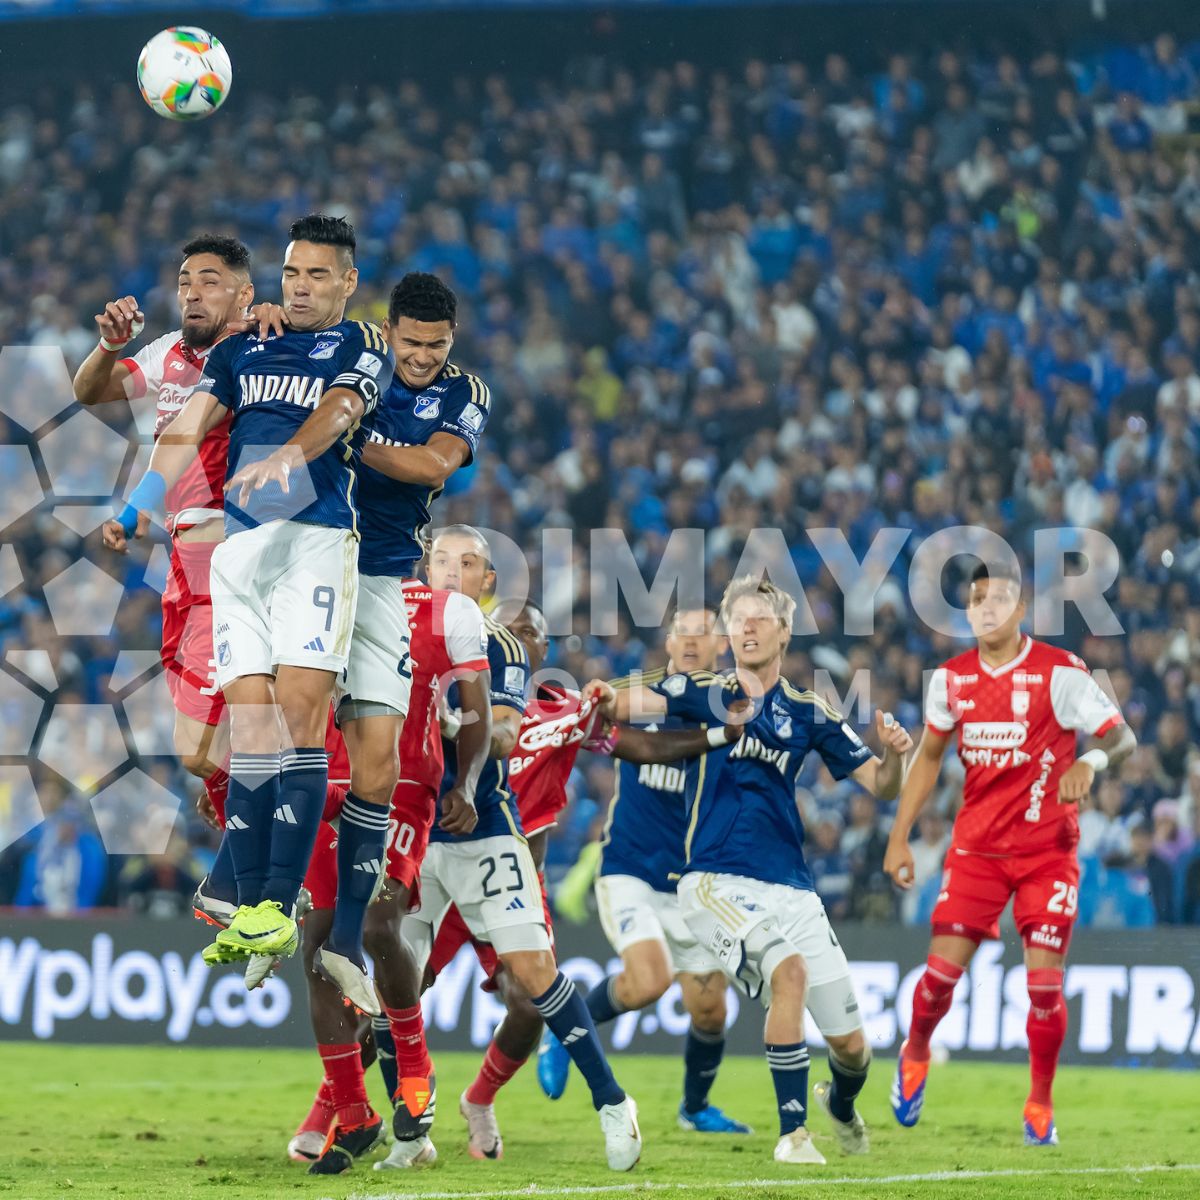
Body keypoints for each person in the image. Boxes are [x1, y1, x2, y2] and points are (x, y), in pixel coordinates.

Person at [106, 214, 393, 1006]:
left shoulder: (361, 346)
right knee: (252, 729)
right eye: (292, 274)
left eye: (317, 277)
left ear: (347, 284)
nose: (301, 287)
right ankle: (262, 902)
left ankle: (269, 901)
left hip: (314, 540)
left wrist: (288, 459)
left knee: (302, 717)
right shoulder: (241, 350)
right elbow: (184, 428)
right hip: (240, 552)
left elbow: (339, 412)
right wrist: (134, 509)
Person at [587, 577, 913, 1165]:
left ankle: (839, 1105)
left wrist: (894, 754)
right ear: (728, 632)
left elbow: (881, 786)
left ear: (784, 632)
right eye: (738, 619)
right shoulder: (705, 691)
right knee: (787, 974)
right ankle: (793, 1135)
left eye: (761, 617)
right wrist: (604, 698)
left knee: (854, 1051)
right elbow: (639, 702)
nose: (748, 626)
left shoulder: (810, 710)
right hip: (714, 880)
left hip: (792, 886)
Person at [378, 525, 641, 1174]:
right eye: (440, 561)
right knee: (393, 983)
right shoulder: (391, 634)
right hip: (410, 832)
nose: (450, 573)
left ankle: (611, 1100)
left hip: (485, 831)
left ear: (486, 581)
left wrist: (458, 744)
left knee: (533, 976)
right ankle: (407, 1131)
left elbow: (502, 729)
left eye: (466, 564)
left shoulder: (501, 645)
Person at [884, 561, 1136, 1146]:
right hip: (977, 851)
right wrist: (899, 836)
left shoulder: (1060, 672)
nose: (986, 607)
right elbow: (926, 759)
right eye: (976, 600)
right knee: (940, 978)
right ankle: (916, 1051)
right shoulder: (950, 680)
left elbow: (1120, 737)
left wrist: (1088, 762)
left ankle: (1040, 1106)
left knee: (1045, 989)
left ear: (1020, 610)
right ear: (966, 612)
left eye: (998, 598)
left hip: (1048, 852)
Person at [288, 572, 492, 1175]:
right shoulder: (323, 588)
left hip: (403, 784)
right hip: (330, 779)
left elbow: (475, 706)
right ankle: (355, 1117)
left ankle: (415, 1070)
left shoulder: (446, 610)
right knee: (318, 947)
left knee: (379, 926)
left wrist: (468, 783)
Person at [538, 608, 753, 1137]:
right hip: (630, 868)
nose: (689, 641)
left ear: (721, 645)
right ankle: (561, 1034)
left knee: (709, 1010)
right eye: (680, 631)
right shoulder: (641, 695)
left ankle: (695, 1108)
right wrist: (598, 696)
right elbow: (605, 701)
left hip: (694, 882)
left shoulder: (731, 707)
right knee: (649, 981)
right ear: (669, 640)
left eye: (702, 633)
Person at [83, 235, 254, 901]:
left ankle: (274, 853)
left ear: (243, 295)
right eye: (186, 280)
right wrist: (109, 347)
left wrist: (130, 512)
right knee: (197, 753)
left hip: (234, 553)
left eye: (211, 281)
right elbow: (92, 391)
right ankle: (262, 823)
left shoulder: (259, 352)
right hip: (182, 559)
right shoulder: (166, 356)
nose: (192, 292)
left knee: (227, 735)